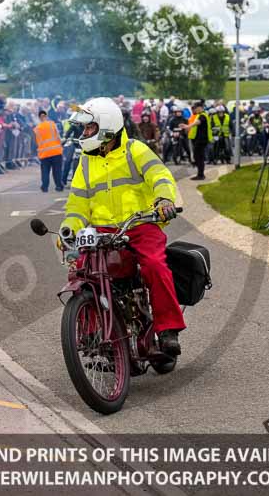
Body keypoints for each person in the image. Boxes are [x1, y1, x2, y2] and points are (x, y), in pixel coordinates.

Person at [60, 97, 185, 355]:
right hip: (102, 231)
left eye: (89, 128)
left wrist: (163, 200)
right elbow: (78, 204)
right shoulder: (86, 160)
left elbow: (160, 176)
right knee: (81, 272)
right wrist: (70, 228)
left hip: (140, 225)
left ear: (106, 127)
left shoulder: (135, 150)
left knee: (154, 265)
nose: (84, 133)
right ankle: (93, 334)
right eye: (84, 129)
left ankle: (168, 329)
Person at [33, 110, 63, 192]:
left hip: (44, 153)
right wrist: (61, 144)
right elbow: (58, 135)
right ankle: (59, 186)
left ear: (39, 118)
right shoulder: (52, 124)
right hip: (56, 151)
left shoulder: (36, 129)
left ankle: (45, 187)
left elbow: (36, 142)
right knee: (57, 170)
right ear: (46, 116)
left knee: (45, 171)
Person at [181, 101, 211, 180]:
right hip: (199, 139)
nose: (195, 110)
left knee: (199, 157)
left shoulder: (203, 115)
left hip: (202, 140)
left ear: (200, 108)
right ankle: (200, 174)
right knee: (198, 156)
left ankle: (200, 175)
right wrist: (188, 126)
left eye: (196, 108)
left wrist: (188, 126)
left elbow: (197, 123)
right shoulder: (199, 115)